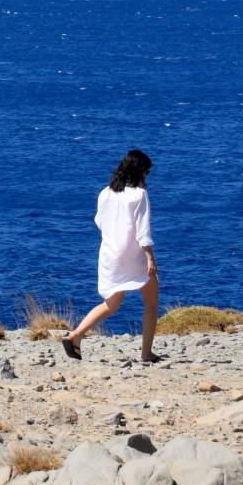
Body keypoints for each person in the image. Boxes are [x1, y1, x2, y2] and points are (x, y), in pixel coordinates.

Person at [61, 148, 158, 362]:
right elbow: (143, 232)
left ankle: (76, 335)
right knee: (151, 300)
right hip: (132, 255)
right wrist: (150, 257)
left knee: (111, 303)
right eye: (147, 172)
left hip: (109, 254)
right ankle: (146, 353)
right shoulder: (139, 195)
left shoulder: (105, 193)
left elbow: (99, 221)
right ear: (140, 171)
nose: (147, 176)